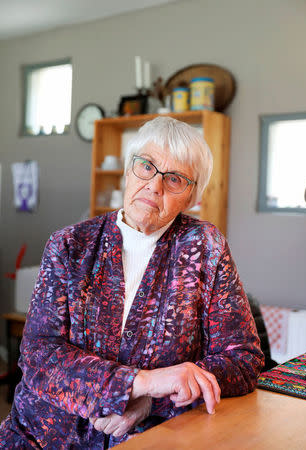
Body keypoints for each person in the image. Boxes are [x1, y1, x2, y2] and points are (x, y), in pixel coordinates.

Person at [0, 117, 264, 448]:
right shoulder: (69, 245)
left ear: (193, 197)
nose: (155, 186)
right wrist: (142, 383)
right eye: (147, 166)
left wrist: (154, 400)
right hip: (44, 438)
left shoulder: (204, 246)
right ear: (128, 169)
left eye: (175, 179)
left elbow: (243, 358)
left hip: (150, 439)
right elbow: (39, 355)